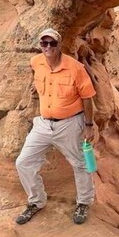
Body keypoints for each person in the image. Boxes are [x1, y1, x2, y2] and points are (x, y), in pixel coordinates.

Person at [14, 28, 99, 225]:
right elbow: (34, 78)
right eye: (44, 43)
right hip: (43, 124)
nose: (48, 47)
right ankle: (36, 201)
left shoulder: (76, 68)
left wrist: (88, 125)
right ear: (40, 45)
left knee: (81, 163)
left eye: (52, 43)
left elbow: (87, 98)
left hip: (70, 124)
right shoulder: (36, 62)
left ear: (60, 45)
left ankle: (84, 202)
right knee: (23, 162)